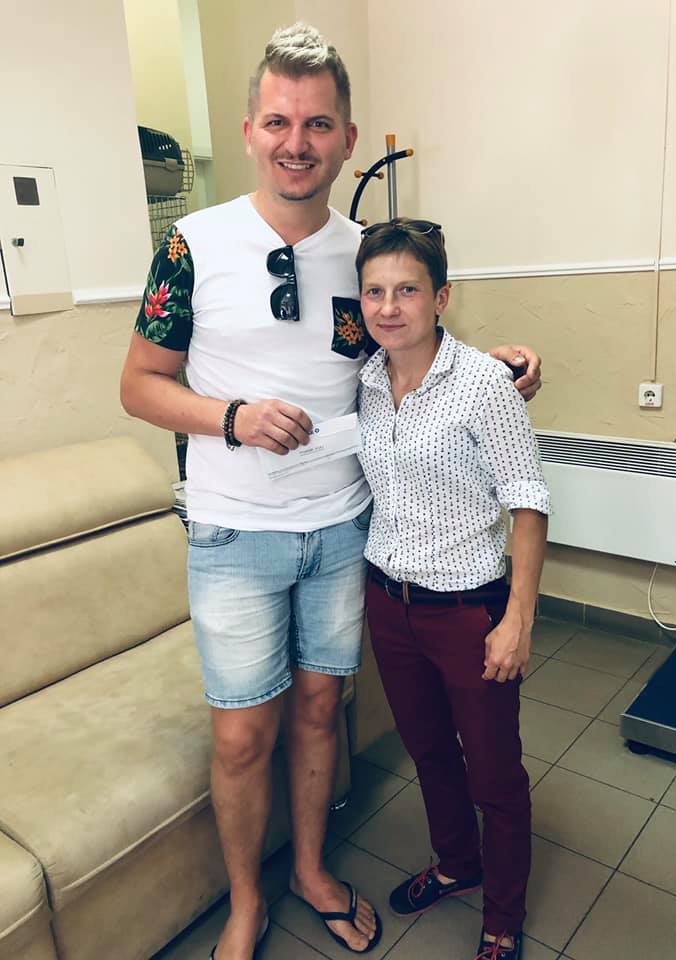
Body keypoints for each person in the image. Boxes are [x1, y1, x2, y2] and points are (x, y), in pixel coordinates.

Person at [120, 23, 543, 960]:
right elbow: (139, 385)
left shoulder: (364, 256)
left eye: (317, 124)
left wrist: (496, 367)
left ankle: (312, 871)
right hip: (234, 534)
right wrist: (231, 417)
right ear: (249, 131)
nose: (296, 142)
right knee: (242, 739)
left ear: (348, 139)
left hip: (346, 531)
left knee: (321, 713)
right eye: (278, 121)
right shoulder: (191, 244)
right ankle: (245, 906)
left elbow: (411, 342)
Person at [355, 218, 550, 960]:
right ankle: (456, 865)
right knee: (430, 752)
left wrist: (519, 619)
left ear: (441, 298)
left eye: (407, 290)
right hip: (389, 601)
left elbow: (528, 501)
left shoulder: (483, 384)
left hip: (469, 610)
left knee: (494, 773)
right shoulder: (366, 382)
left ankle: (503, 915)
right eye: (374, 291)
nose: (388, 307)